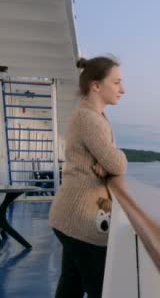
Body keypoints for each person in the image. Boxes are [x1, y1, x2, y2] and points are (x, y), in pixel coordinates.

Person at [49, 55, 127, 298]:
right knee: (100, 289)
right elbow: (117, 164)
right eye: (116, 82)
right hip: (80, 219)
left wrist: (109, 161)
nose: (122, 89)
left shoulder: (94, 116)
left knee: (71, 286)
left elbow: (109, 161)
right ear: (96, 85)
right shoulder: (88, 118)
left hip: (71, 215)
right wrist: (116, 158)